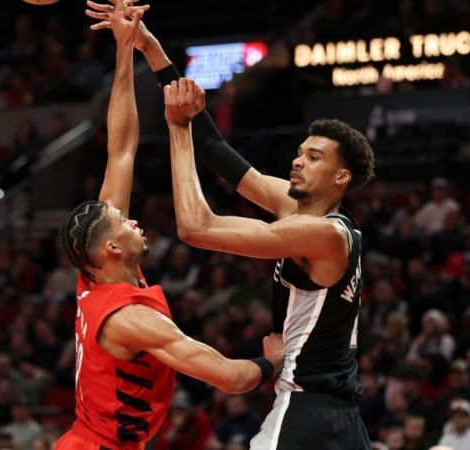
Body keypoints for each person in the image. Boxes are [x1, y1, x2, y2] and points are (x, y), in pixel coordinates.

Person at [55, 3, 283, 450]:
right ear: (112, 251)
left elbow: (121, 148)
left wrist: (124, 51)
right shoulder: (131, 319)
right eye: (123, 221)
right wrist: (272, 362)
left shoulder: (94, 273)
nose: (132, 218)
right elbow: (232, 377)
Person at [161, 79, 374, 448]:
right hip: (340, 418)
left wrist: (177, 129)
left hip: (305, 409)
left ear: (341, 177)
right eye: (300, 152)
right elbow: (214, 148)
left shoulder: (324, 236)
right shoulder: (316, 220)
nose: (297, 160)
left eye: (313, 157)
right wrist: (150, 49)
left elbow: (196, 227)